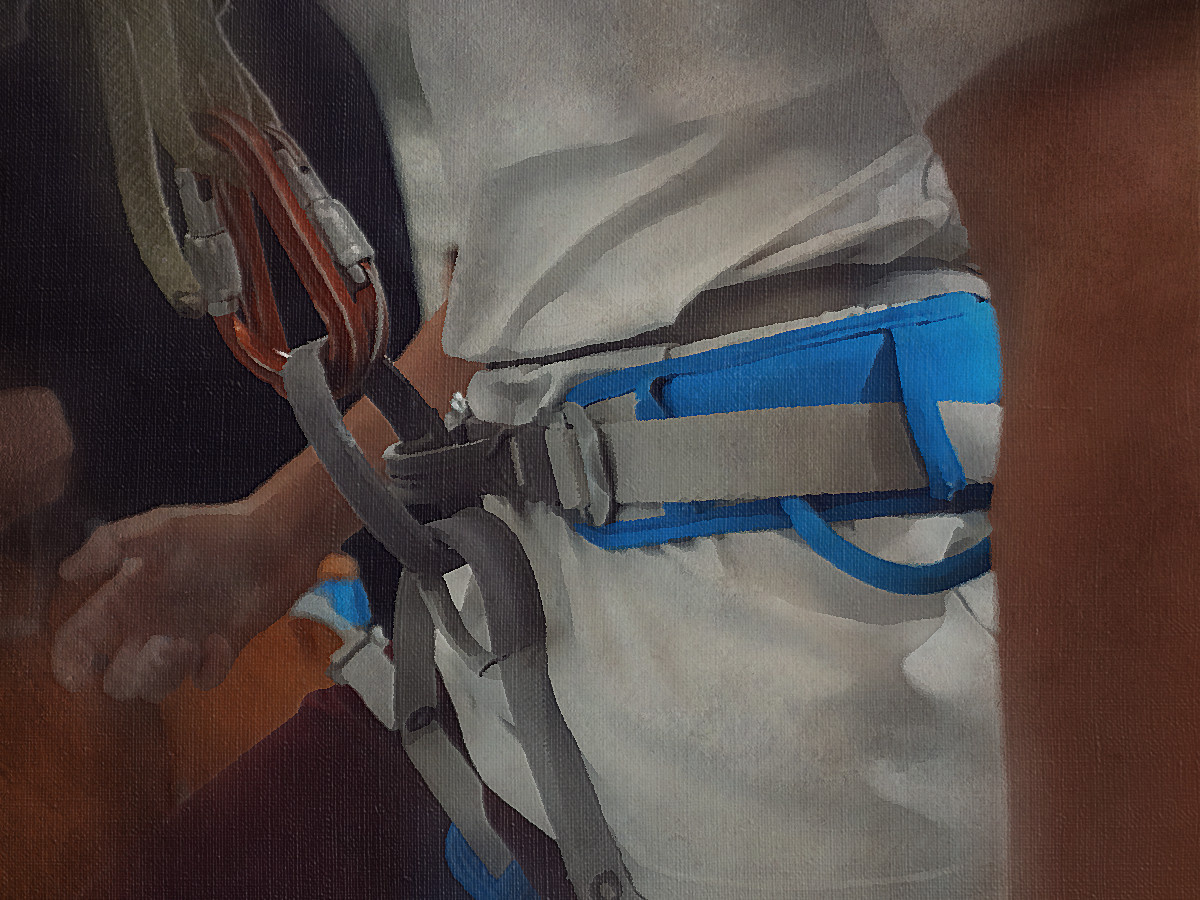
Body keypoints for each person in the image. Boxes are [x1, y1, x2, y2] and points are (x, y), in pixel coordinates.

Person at [50, 1, 1199, 897]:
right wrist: (280, 533)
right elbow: (543, 277)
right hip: (520, 656)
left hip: (824, 718)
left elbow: (1138, 248)